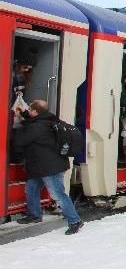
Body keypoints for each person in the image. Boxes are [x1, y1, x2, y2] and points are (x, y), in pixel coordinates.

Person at [13, 100, 84, 235]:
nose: (29, 111)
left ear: (34, 112)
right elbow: (35, 124)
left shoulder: (36, 127)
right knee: (31, 188)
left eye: (30, 109)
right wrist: (23, 113)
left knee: (58, 194)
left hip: (50, 167)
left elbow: (20, 140)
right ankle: (34, 215)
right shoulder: (49, 120)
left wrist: (14, 124)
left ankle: (75, 220)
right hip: (44, 165)